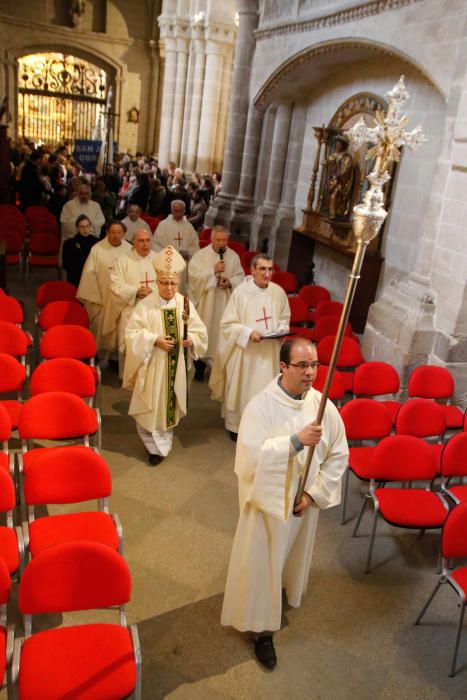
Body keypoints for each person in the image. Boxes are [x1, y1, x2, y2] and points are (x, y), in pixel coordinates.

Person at [221, 337, 348, 668]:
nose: (310, 373)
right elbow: (249, 459)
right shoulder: (261, 406)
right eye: (302, 365)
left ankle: (281, 597)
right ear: (283, 366)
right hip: (267, 507)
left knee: (285, 564)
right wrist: (294, 442)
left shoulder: (322, 406)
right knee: (262, 564)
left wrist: (312, 494)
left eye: (315, 365)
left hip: (300, 507)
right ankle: (262, 631)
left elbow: (339, 454)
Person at [123, 246, 208, 465]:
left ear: (178, 283)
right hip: (152, 365)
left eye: (173, 283)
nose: (169, 288)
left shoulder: (185, 304)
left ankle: (161, 445)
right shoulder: (146, 305)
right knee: (150, 405)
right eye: (165, 283)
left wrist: (192, 341)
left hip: (175, 366)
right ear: (157, 282)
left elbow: (200, 332)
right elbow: (132, 333)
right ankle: (154, 447)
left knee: (167, 406)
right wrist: (154, 339)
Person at [209, 254, 290, 440]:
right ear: (252, 270)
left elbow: (285, 317)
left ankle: (261, 426)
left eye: (270, 269)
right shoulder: (241, 293)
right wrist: (248, 333)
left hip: (269, 353)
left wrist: (282, 330)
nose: (267, 273)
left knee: (265, 391)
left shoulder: (278, 292)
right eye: (262, 269)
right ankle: (236, 426)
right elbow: (227, 324)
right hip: (246, 354)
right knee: (243, 390)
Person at [188, 226, 245, 380]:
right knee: (205, 333)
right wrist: (212, 271)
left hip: (225, 303)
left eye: (224, 240)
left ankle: (217, 371)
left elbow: (241, 276)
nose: (221, 243)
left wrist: (231, 281)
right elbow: (193, 277)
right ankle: (199, 368)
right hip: (207, 303)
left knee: (220, 336)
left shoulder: (233, 257)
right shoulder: (201, 256)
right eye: (218, 240)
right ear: (211, 239)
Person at [76, 220, 132, 368]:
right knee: (100, 326)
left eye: (119, 232)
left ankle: (115, 359)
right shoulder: (97, 249)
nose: (116, 236)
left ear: (124, 234)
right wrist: (95, 296)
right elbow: (89, 273)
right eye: (113, 232)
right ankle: (96, 356)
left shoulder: (130, 250)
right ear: (107, 233)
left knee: (119, 328)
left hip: (121, 298)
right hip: (102, 296)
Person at [108, 228, 157, 374]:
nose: (145, 244)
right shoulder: (124, 261)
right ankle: (129, 377)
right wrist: (135, 291)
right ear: (134, 243)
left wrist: (153, 293)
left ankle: (150, 377)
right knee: (131, 345)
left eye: (148, 240)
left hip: (153, 311)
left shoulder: (158, 260)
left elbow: (169, 284)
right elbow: (115, 285)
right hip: (131, 309)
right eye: (141, 241)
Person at [153, 200, 200, 293]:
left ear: (184, 211)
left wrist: (189, 253)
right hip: (168, 264)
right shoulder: (163, 225)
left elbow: (195, 245)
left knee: (181, 290)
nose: (178, 214)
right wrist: (172, 254)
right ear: (171, 210)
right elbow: (156, 245)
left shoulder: (189, 227)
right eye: (176, 211)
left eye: (180, 211)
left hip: (183, 265)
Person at [62, 214, 99, 287]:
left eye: (87, 226)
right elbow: (66, 265)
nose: (85, 229)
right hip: (75, 279)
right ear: (77, 228)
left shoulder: (96, 242)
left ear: (90, 227)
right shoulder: (68, 244)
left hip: (92, 279)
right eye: (82, 227)